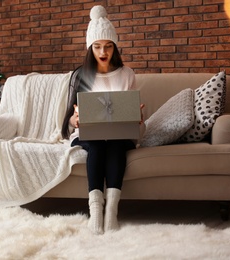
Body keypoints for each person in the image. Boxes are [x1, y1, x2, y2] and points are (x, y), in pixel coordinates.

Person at [61, 5, 142, 235]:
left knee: (115, 146)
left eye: (108, 46)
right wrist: (75, 121)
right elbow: (68, 120)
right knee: (97, 145)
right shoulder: (81, 75)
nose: (103, 52)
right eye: (97, 47)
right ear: (90, 48)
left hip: (119, 135)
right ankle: (96, 209)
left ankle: (112, 210)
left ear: (115, 47)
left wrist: (137, 116)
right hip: (91, 135)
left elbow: (133, 117)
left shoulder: (127, 74)